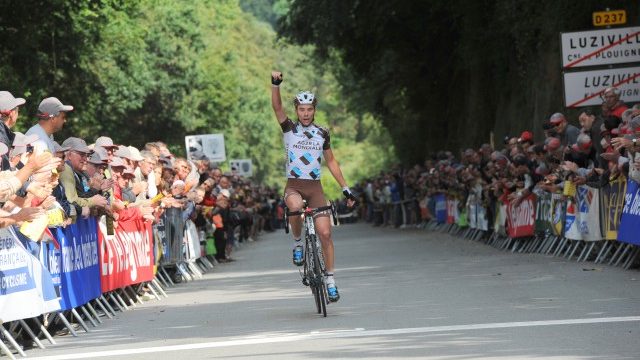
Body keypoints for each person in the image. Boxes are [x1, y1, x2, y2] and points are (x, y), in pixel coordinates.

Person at [270, 70, 356, 302]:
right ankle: (298, 243)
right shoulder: (290, 129)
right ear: (297, 110)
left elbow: (331, 161)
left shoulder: (322, 133)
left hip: (316, 187)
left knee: (326, 234)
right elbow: (277, 108)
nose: (305, 113)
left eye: (309, 110)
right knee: (295, 206)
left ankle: (330, 280)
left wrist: (346, 188)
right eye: (301, 109)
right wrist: (275, 85)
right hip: (294, 186)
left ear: (314, 110)